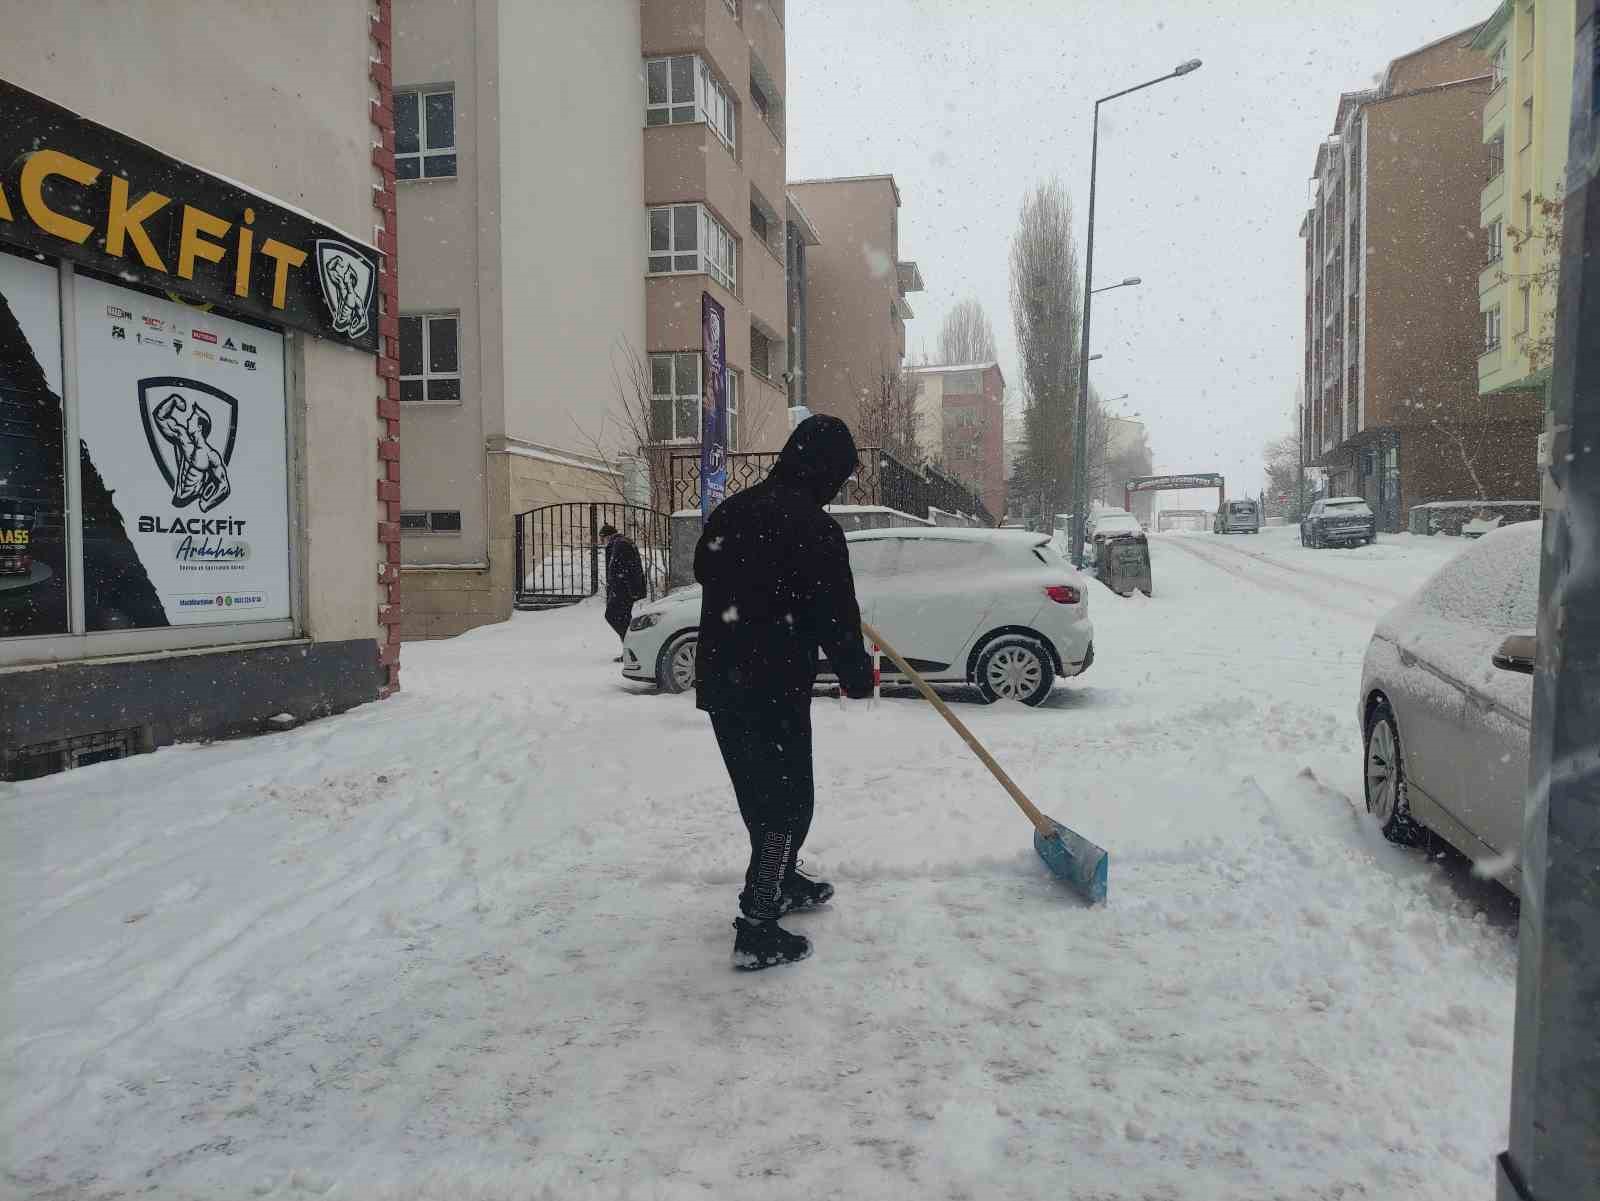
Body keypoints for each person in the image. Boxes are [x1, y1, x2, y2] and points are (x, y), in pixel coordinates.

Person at [693, 414, 874, 970]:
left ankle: (783, 881)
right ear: (824, 471)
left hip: (725, 683)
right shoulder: (816, 531)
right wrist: (856, 671)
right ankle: (758, 923)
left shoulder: (734, 510)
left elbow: (705, 568)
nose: (839, 486)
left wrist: (764, 587)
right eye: (840, 475)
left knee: (761, 793)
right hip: (772, 684)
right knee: (787, 804)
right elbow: (836, 616)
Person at [600, 523, 647, 656]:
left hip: (623, 590)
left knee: (613, 616)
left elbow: (624, 569)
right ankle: (630, 650)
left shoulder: (620, 544)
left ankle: (632, 648)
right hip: (624, 589)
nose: (601, 542)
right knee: (623, 618)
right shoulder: (620, 543)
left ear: (607, 536)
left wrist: (626, 589)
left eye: (602, 539)